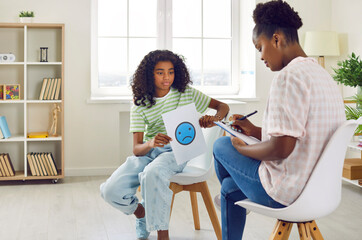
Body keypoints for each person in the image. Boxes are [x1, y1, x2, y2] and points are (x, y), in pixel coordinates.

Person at [212, 1, 345, 239]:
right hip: (319, 190)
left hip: (287, 192)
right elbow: (301, 136)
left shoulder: (289, 76)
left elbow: (281, 148)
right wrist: (253, 131)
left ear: (276, 39)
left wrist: (243, 149)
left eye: (259, 47)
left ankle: (244, 189)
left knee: (221, 144)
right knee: (229, 189)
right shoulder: (323, 76)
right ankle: (239, 191)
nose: (261, 57)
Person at [100, 49, 229, 240]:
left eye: (170, 71)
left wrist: (214, 118)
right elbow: (136, 149)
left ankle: (163, 235)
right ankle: (141, 213)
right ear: (149, 74)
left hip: (178, 151)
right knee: (110, 190)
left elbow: (222, 107)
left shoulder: (186, 93)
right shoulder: (140, 102)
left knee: (154, 173)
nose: (166, 77)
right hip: (149, 151)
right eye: (160, 72)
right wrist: (151, 142)